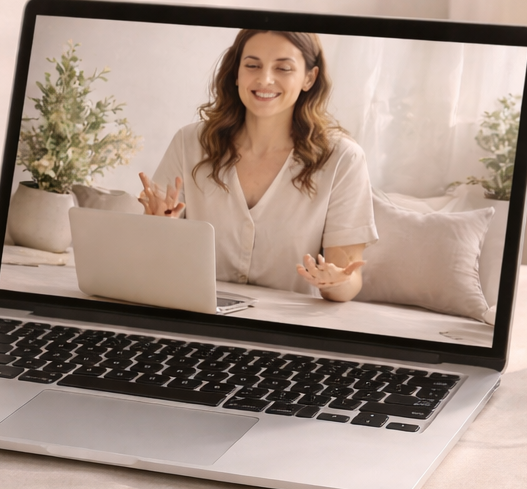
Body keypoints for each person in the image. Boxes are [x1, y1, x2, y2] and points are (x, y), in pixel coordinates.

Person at [138, 30, 376, 302]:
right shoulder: (189, 142)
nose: (265, 79)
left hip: (287, 327)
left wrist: (335, 282)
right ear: (237, 73)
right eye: (252, 65)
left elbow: (348, 276)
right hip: (195, 316)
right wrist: (156, 229)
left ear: (309, 78)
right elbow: (153, 259)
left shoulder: (343, 159)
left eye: (283, 68)